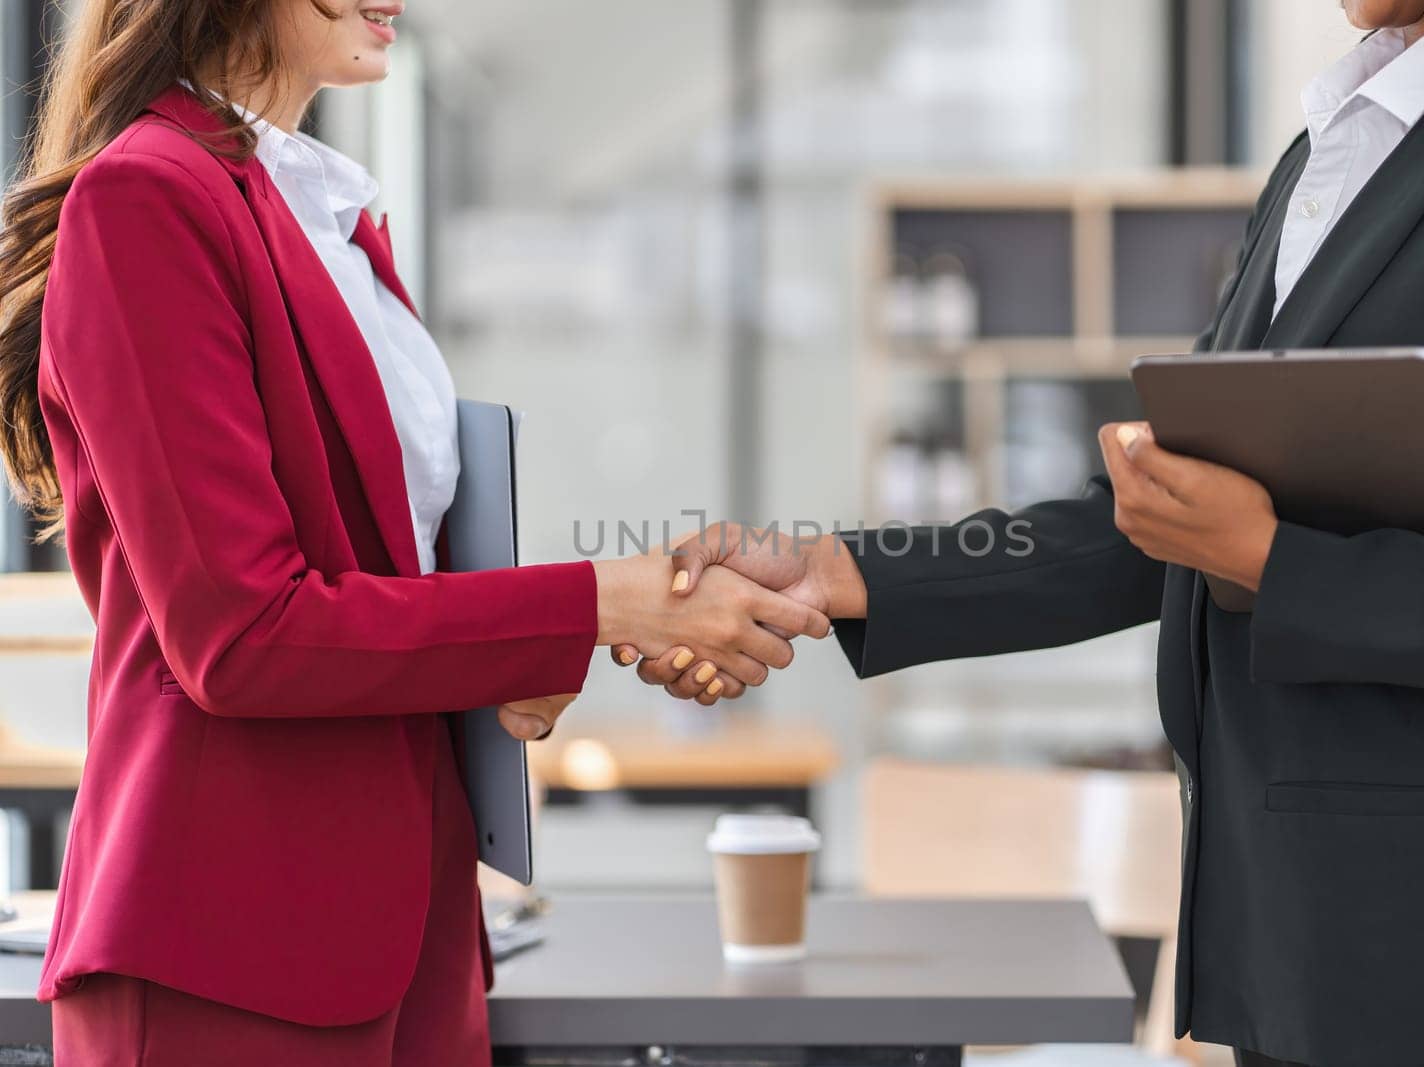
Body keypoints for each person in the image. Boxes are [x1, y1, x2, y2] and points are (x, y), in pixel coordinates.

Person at [620, 1, 1424, 1064]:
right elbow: (1150, 523)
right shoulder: (1340, 146)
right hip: (1294, 958)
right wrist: (825, 570)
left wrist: (1277, 564)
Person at [0, 2, 830, 1063]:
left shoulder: (317, 211)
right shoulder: (148, 197)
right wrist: (597, 602)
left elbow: (377, 569)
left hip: (412, 920)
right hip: (230, 938)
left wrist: (504, 655)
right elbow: (242, 632)